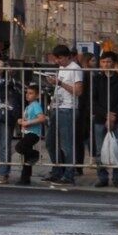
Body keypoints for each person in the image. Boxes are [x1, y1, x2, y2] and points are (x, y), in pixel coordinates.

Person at [87, 49, 118, 188]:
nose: (106, 64)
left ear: (114, 63)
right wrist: (106, 115)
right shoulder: (96, 79)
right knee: (100, 150)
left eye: (109, 62)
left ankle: (117, 178)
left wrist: (113, 116)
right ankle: (102, 177)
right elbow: (93, 101)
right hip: (100, 119)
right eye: (103, 62)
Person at [46, 45, 85, 185]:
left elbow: (78, 91)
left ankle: (69, 175)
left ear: (68, 56)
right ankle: (57, 171)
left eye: (60, 58)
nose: (58, 61)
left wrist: (60, 83)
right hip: (57, 107)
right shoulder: (61, 68)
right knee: (51, 142)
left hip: (68, 109)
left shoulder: (75, 68)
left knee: (66, 144)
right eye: (56, 59)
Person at [15, 84, 48, 186]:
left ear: (37, 96)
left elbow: (42, 118)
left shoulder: (35, 105)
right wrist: (21, 120)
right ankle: (25, 178)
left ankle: (36, 154)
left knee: (19, 147)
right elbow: (28, 119)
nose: (27, 95)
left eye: (31, 93)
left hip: (33, 133)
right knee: (27, 158)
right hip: (27, 133)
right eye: (27, 93)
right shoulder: (29, 106)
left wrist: (27, 123)